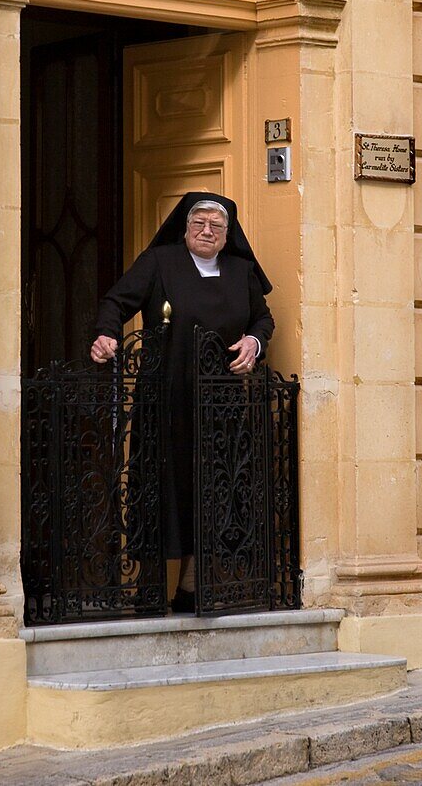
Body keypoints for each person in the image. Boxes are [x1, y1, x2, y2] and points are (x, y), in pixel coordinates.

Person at [90, 191, 274, 613]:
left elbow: (263, 318)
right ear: (185, 228)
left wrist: (254, 342)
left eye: (216, 226)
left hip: (221, 403)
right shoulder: (160, 263)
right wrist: (105, 334)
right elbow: (115, 303)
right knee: (159, 487)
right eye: (198, 224)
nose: (206, 231)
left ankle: (192, 588)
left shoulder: (241, 270)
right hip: (165, 399)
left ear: (228, 235)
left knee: (213, 489)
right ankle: (147, 590)